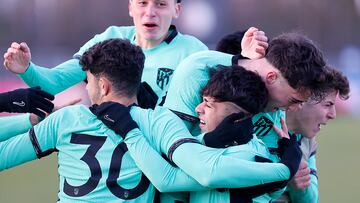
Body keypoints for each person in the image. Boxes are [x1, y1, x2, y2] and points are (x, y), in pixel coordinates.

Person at [0, 39, 300, 202]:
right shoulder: (158, 122)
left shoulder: (66, 120)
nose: (87, 88)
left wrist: (28, 121)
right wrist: (278, 171)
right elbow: (195, 173)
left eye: (88, 80)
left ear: (102, 86)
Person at [3, 0, 209, 108]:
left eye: (161, 4)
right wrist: (26, 70)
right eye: (142, 3)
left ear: (177, 10)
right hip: (116, 166)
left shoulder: (195, 53)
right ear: (130, 7)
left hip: (166, 166)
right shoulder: (110, 39)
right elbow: (53, 83)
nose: (150, 12)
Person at [274, 66, 350, 203]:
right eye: (328, 105)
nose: (333, 115)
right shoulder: (258, 127)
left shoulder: (307, 140)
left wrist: (299, 187)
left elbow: (312, 200)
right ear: (303, 97)